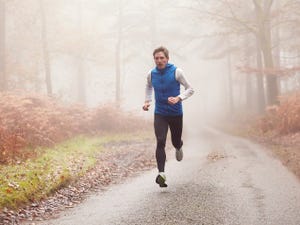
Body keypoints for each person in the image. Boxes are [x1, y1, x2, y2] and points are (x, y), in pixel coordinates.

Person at [143, 46, 194, 188]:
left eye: (162, 58)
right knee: (160, 141)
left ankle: (179, 146)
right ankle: (161, 174)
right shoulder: (151, 74)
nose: (159, 61)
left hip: (176, 113)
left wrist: (179, 98)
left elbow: (190, 89)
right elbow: (148, 86)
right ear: (154, 59)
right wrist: (147, 101)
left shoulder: (177, 72)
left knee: (175, 141)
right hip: (160, 113)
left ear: (167, 59)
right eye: (156, 58)